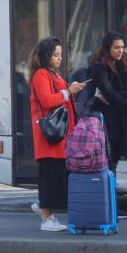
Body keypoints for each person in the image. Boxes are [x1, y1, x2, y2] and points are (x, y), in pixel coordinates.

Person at [28, 37, 86, 232]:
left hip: (59, 136)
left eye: (60, 55)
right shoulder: (41, 75)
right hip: (50, 136)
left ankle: (45, 209)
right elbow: (46, 100)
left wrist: (72, 90)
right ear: (46, 56)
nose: (59, 58)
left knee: (54, 175)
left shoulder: (52, 74)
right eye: (55, 55)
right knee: (50, 175)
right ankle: (47, 218)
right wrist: (69, 91)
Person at [90, 30, 127, 219]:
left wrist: (115, 98)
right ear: (107, 48)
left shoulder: (121, 67)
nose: (120, 51)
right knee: (105, 165)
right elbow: (109, 92)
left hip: (119, 122)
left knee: (113, 165)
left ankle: (111, 206)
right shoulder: (98, 68)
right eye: (116, 48)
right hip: (104, 124)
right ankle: (106, 207)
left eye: (122, 47)